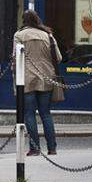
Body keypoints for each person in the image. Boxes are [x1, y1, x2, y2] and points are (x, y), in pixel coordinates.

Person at [12, 9, 62, 156]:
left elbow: (15, 58)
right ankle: (52, 148)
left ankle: (35, 148)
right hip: (46, 77)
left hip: (26, 78)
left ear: (23, 20)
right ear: (37, 19)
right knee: (46, 113)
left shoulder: (19, 35)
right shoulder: (48, 35)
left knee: (29, 114)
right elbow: (58, 57)